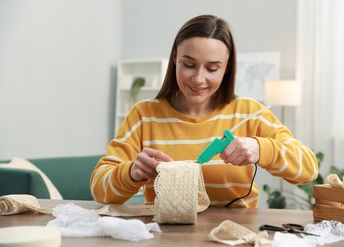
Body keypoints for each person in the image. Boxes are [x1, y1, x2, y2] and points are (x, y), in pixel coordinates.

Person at [90, 14, 318, 208]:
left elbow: (308, 170)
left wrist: (262, 149)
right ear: (174, 60)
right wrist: (132, 172)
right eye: (188, 64)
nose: (198, 79)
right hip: (165, 236)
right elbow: (100, 189)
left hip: (237, 235)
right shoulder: (144, 115)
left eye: (212, 68)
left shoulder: (249, 113)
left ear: (227, 69)